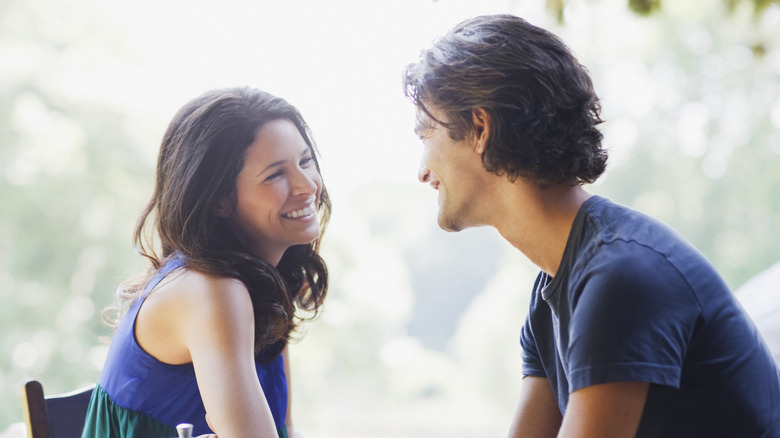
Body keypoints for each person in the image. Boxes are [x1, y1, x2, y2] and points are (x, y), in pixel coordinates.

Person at [403, 14, 780, 437]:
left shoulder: (620, 276)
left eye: (425, 134)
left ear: (479, 128)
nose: (421, 171)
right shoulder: (552, 292)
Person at [81, 87, 331, 438]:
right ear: (219, 200)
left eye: (306, 161)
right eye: (275, 174)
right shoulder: (212, 291)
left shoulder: (263, 283)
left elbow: (283, 428)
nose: (308, 186)